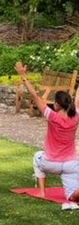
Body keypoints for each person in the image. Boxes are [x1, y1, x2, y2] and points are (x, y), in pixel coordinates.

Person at [16, 61, 79, 209]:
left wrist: (23, 76)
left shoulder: (52, 115)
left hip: (51, 163)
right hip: (71, 165)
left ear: (56, 104)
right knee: (72, 197)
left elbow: (34, 95)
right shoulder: (76, 116)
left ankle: (42, 192)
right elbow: (77, 100)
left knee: (37, 156)